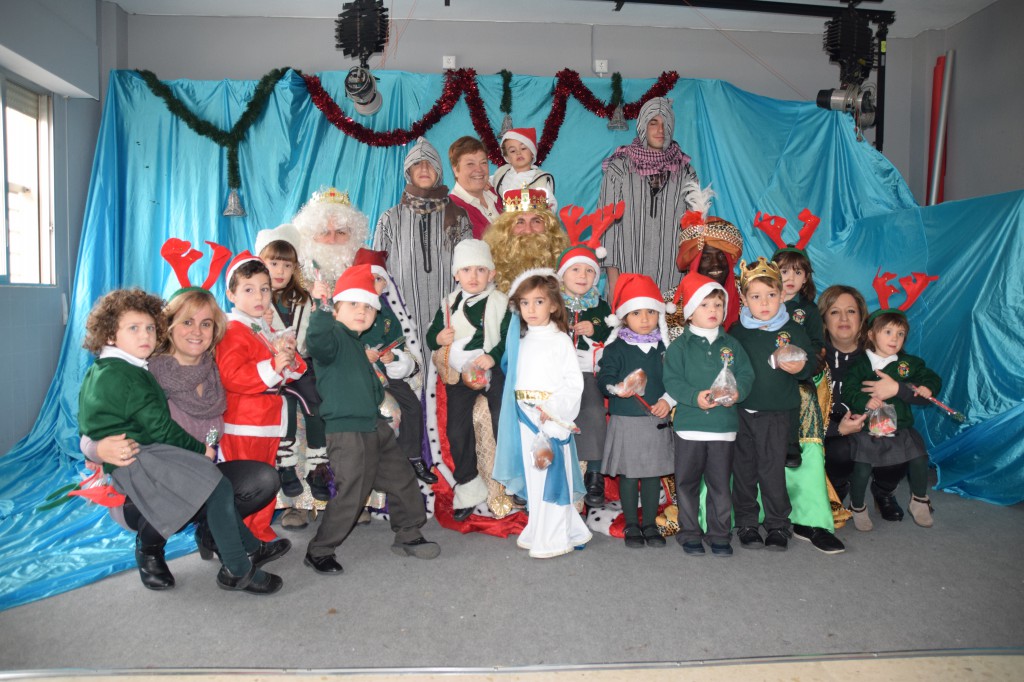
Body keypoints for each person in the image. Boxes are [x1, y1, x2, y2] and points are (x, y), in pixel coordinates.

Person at [78, 289, 282, 595]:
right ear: (170, 327)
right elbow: (94, 425)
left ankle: (220, 537)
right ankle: (151, 549)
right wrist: (98, 448)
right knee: (209, 486)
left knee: (257, 479)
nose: (197, 331)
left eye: (206, 323)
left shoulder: (214, 371)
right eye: (187, 322)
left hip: (191, 466)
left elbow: (213, 430)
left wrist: (208, 449)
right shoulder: (143, 370)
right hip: (146, 478)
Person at [303, 264, 441, 574]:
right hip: (347, 430)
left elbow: (369, 384)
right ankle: (319, 550)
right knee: (352, 491)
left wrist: (380, 400)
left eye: (368, 306)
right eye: (353, 303)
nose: (362, 311)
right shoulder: (333, 336)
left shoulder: (357, 343)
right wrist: (321, 309)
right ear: (336, 309)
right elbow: (317, 341)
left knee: (402, 478)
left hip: (374, 426)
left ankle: (408, 533)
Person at [493, 269, 590, 557]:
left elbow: (573, 382)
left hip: (550, 419)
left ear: (554, 305)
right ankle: (545, 529)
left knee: (552, 476)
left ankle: (554, 538)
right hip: (525, 419)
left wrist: (553, 409)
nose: (531, 309)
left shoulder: (560, 340)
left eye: (538, 302)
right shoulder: (519, 341)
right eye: (524, 303)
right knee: (535, 477)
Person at [216, 252, 307, 542]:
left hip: (266, 420)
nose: (259, 296)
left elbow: (291, 372)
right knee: (249, 483)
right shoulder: (233, 330)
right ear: (231, 295)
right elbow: (232, 376)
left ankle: (259, 533)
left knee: (267, 478)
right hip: (244, 422)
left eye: (264, 289)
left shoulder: (263, 329)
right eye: (249, 289)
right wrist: (273, 366)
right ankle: (238, 537)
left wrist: (288, 357)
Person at [663, 271, 754, 557]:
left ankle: (720, 534)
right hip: (689, 427)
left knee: (720, 484)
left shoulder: (732, 345)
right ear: (690, 312)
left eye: (718, 304)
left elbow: (746, 374)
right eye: (704, 305)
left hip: (723, 428)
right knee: (686, 483)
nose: (713, 310)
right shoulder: (679, 347)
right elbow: (672, 381)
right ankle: (690, 533)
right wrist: (694, 397)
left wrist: (738, 392)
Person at [729, 257, 817, 551]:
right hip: (741, 413)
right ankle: (746, 522)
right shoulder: (737, 332)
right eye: (755, 297)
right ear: (744, 300)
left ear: (781, 295)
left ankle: (778, 523)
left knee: (772, 471)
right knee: (743, 470)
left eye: (771, 294)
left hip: (777, 414)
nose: (764, 303)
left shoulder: (793, 330)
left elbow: (810, 364)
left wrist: (801, 366)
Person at [425, 239, 511, 521]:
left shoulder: (501, 302)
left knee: (502, 417)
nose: (473, 276)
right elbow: (431, 337)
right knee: (456, 429)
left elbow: (509, 338)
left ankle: (510, 479)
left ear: (491, 273)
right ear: (456, 275)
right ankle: (468, 483)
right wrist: (439, 338)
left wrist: (492, 356)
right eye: (466, 270)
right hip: (461, 375)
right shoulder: (448, 304)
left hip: (493, 370)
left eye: (480, 270)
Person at [841, 296, 942, 530]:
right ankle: (858, 506)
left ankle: (919, 500)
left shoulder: (908, 363)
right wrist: (865, 401)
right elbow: (849, 391)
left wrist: (928, 387)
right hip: (868, 428)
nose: (894, 339)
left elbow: (931, 377)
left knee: (919, 457)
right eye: (887, 332)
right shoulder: (861, 365)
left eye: (900, 334)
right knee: (862, 467)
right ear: (871, 334)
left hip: (900, 426)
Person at [255, 224, 330, 525]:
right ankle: (285, 465)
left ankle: (317, 466)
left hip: (300, 365)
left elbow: (310, 338)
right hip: (270, 369)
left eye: (287, 265)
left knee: (316, 405)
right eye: (274, 263)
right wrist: (263, 325)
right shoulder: (255, 299)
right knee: (283, 406)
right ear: (260, 262)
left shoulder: (304, 299)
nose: (280, 271)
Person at [599, 273, 676, 549]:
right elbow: (604, 378)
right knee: (630, 475)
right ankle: (632, 523)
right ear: (624, 317)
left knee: (653, 475)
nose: (644, 319)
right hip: (627, 420)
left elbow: (677, 379)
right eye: (636, 313)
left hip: (656, 419)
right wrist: (617, 387)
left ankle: (650, 524)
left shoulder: (665, 347)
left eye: (650, 312)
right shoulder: (616, 348)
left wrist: (668, 400)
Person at [819, 285, 906, 521]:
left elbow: (917, 385)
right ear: (824, 320)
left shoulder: (882, 354)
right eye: (835, 312)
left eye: (851, 311)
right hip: (832, 428)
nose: (844, 318)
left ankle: (884, 491)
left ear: (862, 319)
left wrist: (898, 389)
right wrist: (837, 429)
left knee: (900, 445)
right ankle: (837, 488)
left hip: (876, 422)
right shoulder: (814, 356)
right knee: (840, 450)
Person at [373, 137, 472, 337]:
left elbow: (469, 267)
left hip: (449, 317)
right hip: (403, 319)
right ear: (408, 172)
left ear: (439, 171)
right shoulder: (390, 219)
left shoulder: (458, 216)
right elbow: (378, 271)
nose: (424, 168)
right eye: (417, 163)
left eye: (430, 163)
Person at [599, 97, 700, 293]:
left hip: (672, 278)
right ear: (642, 125)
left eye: (665, 123)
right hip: (628, 275)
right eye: (653, 122)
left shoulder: (685, 171)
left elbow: (694, 231)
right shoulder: (620, 167)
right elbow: (607, 226)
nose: (660, 130)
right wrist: (613, 282)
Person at [555, 202, 620, 507]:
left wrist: (596, 330)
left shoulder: (600, 306)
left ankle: (594, 474)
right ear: (563, 275)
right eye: (575, 270)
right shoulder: (552, 302)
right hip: (555, 374)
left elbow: (612, 332)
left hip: (586, 372)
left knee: (594, 410)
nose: (582, 276)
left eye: (589, 271)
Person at [353, 247, 436, 484]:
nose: (375, 284)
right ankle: (371, 465)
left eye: (379, 279)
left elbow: (396, 344)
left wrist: (393, 358)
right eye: (370, 278)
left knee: (412, 405)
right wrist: (360, 354)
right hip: (355, 375)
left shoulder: (387, 314)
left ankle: (413, 457)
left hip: (384, 373)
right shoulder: (348, 306)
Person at [666, 182, 744, 335]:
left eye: (721, 256)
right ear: (694, 264)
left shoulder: (749, 294)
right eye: (706, 258)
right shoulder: (672, 303)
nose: (716, 264)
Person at [483, 189, 570, 294]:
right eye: (520, 222)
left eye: (536, 221)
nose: (528, 230)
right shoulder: (488, 264)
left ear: (548, 227)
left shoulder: (568, 264)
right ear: (506, 229)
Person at [293, 187, 369, 291]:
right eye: (324, 232)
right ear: (310, 236)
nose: (332, 240)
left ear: (353, 237)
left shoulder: (369, 271)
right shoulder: (291, 272)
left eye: (341, 232)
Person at [490, 128, 556, 211]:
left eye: (523, 148)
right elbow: (487, 181)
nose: (518, 153)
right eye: (513, 151)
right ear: (507, 157)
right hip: (506, 218)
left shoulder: (540, 179)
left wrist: (548, 211)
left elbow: (551, 203)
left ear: (532, 153)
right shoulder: (501, 173)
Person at [448, 136, 501, 238]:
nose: (479, 169)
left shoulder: (498, 190)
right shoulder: (452, 211)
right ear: (455, 170)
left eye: (483, 163)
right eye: (470, 164)